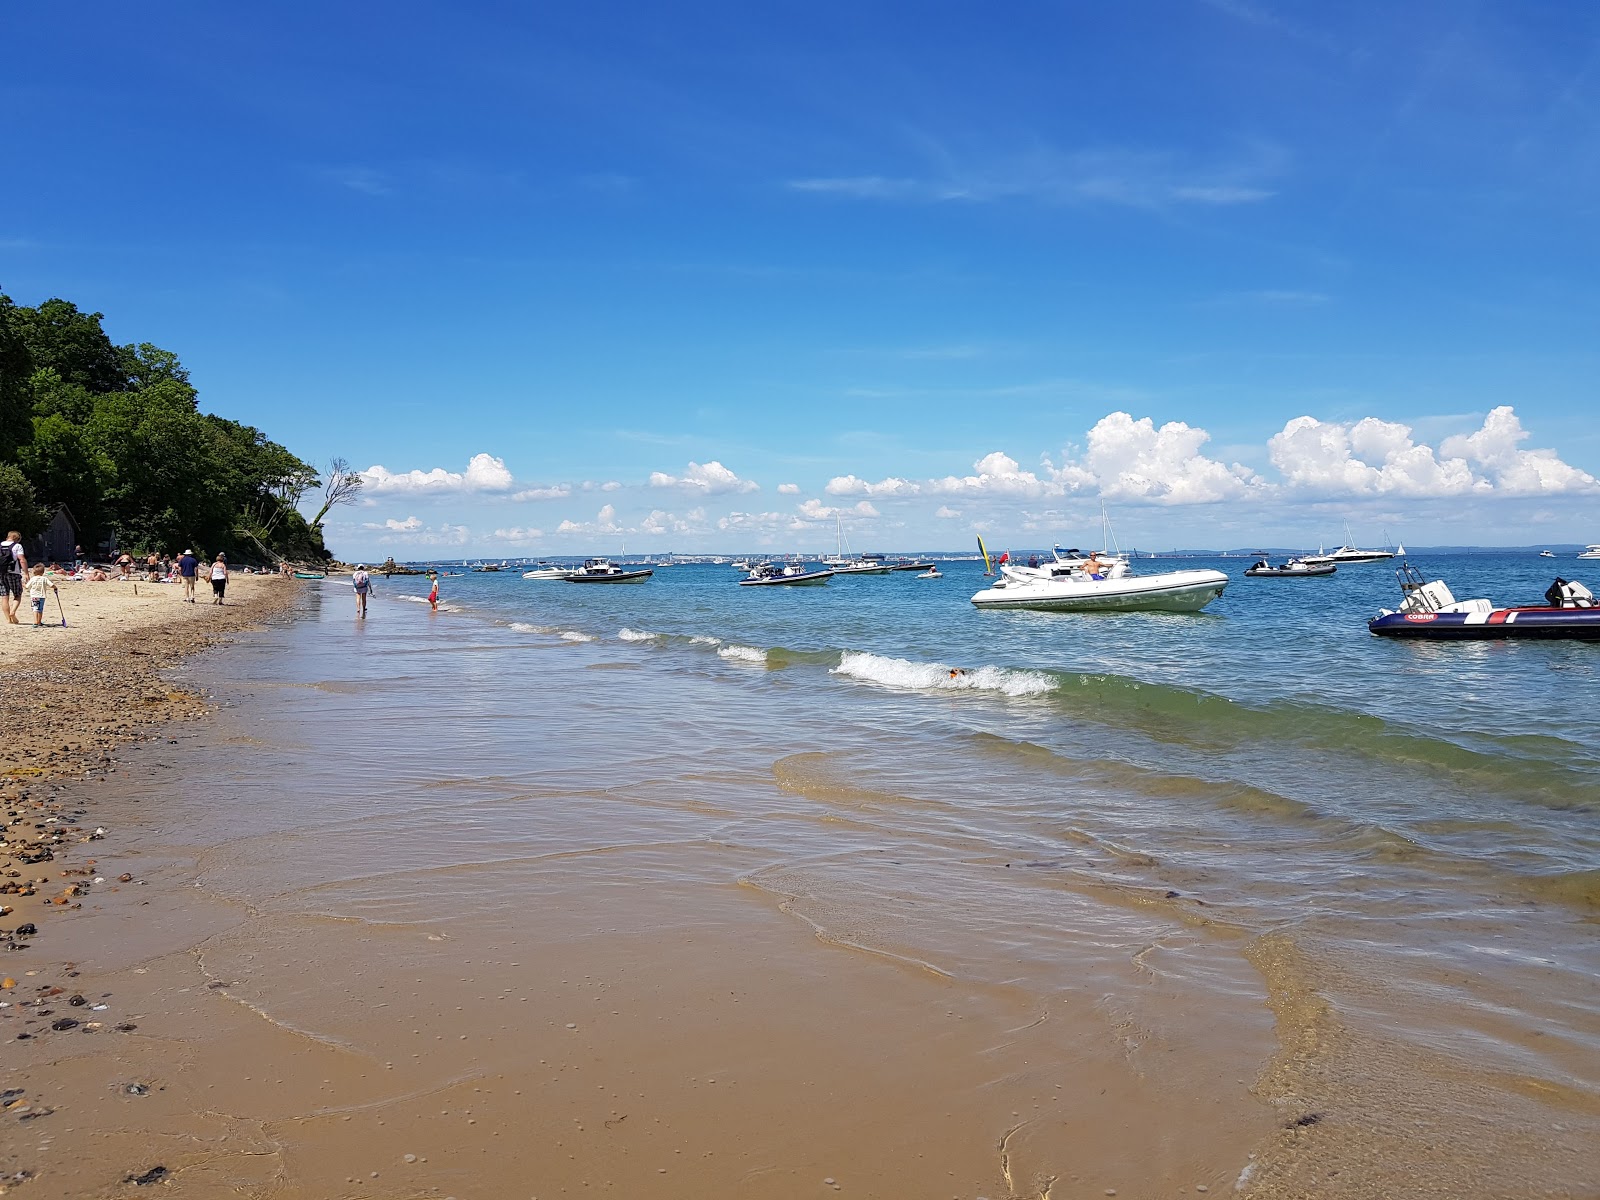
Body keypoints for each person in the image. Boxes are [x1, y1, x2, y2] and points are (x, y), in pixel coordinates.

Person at [1, 530, 26, 624]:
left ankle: (8, 619)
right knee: (17, 594)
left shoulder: (0, 545)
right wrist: (26, 573)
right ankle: (13, 612)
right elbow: (21, 559)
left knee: (4, 596)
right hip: (13, 573)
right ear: (17, 538)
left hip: (1, 573)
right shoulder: (17, 546)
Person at [25, 564, 55, 628]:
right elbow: (51, 585)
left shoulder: (33, 579)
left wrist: (22, 584)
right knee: (40, 609)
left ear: (34, 572)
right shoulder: (44, 579)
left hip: (34, 596)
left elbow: (27, 587)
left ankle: (35, 622)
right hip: (42, 596)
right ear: (43, 572)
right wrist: (55, 588)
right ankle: (39, 621)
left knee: (35, 608)